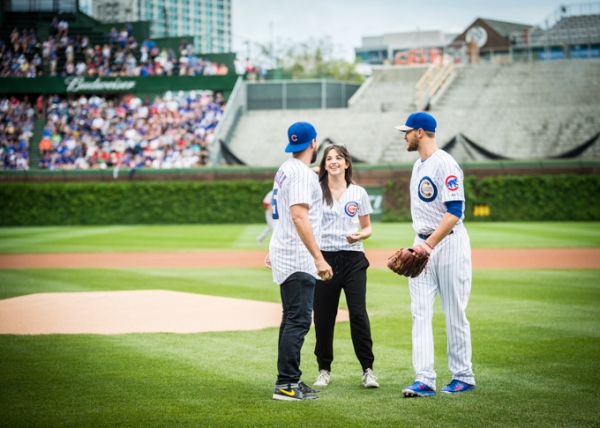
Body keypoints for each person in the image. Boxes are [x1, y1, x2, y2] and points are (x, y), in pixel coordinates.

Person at [394, 112, 475, 397]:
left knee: (454, 311)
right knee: (420, 312)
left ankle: (463, 375)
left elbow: (455, 212)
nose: (403, 136)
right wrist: (422, 244)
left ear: (419, 132)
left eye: (406, 131)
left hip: (449, 244)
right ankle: (424, 379)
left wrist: (428, 245)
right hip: (422, 243)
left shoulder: (445, 164)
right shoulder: (418, 166)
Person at [266, 121, 333, 401]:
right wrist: (319, 258)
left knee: (290, 319)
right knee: (298, 320)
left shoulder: (286, 168)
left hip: (285, 251)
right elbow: (298, 216)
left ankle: (290, 378)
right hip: (298, 258)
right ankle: (286, 384)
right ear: (314, 143)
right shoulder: (302, 175)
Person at [311, 145, 379, 389]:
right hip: (324, 259)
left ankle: (368, 370)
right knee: (323, 317)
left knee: (358, 314)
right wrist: (321, 168)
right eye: (329, 158)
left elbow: (368, 227)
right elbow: (307, 170)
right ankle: (323, 370)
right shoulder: (316, 190)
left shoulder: (358, 192)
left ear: (347, 163)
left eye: (339, 158)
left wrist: (360, 236)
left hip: (353, 259)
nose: (333, 162)